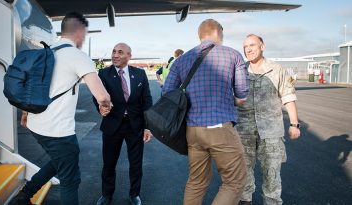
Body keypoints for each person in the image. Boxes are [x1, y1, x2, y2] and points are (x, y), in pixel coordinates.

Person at [9, 12, 111, 205]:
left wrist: (26, 114)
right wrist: (106, 106)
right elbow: (102, 96)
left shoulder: (44, 52)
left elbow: (32, 87)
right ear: (80, 32)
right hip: (59, 132)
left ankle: (23, 197)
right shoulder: (77, 56)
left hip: (36, 124)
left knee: (59, 162)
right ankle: (23, 197)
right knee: (70, 180)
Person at [163, 19, 249, 205]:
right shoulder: (233, 55)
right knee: (235, 181)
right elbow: (242, 96)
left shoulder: (182, 60)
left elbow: (167, 93)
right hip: (220, 128)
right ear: (218, 33)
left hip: (193, 131)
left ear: (200, 35)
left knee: (196, 182)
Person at [237, 34, 301, 205]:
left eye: (252, 45)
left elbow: (288, 96)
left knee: (272, 175)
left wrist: (294, 124)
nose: (248, 49)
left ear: (262, 46)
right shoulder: (240, 71)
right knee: (243, 173)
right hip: (244, 132)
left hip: (271, 132)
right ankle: (245, 201)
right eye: (245, 47)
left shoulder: (277, 69)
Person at [94, 43, 153, 205]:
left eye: (120, 52)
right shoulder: (104, 73)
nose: (115, 55)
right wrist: (101, 107)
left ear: (129, 56)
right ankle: (106, 195)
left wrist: (148, 126)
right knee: (109, 163)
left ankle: (134, 194)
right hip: (113, 125)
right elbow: (97, 96)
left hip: (135, 126)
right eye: (113, 51)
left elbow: (147, 101)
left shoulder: (140, 74)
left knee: (135, 164)